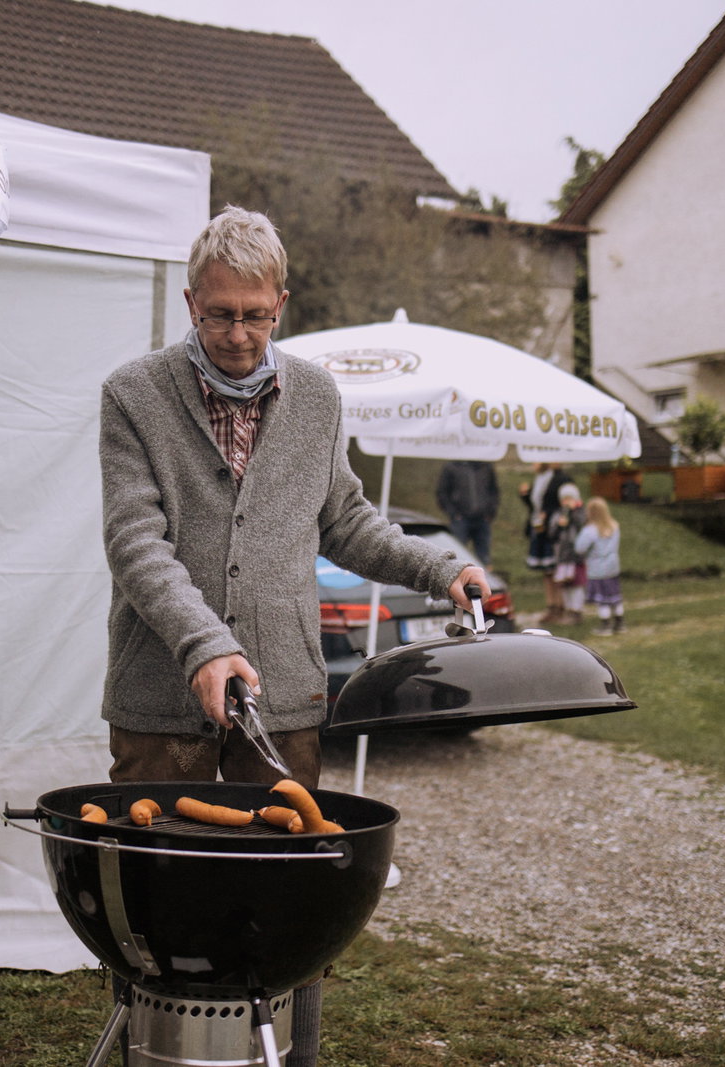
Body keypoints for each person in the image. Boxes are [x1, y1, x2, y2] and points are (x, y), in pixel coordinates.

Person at [98, 205, 487, 1067]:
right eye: (218, 314)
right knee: (155, 901)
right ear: (191, 303)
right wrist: (205, 645)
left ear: (282, 303)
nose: (238, 335)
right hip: (160, 696)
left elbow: (347, 522)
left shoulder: (315, 397)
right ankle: (152, 1054)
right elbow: (135, 543)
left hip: (284, 696)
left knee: (287, 899)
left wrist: (439, 568)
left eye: (255, 315)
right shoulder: (133, 394)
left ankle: (288, 1054)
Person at [518, 462, 574, 623]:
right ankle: (552, 605)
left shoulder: (561, 479)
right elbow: (536, 506)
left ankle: (562, 605)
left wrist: (548, 515)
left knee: (556, 569)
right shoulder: (539, 479)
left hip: (554, 531)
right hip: (540, 529)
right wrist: (525, 496)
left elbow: (564, 505)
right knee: (547, 571)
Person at [574, 496, 625, 635]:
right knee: (615, 595)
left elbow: (579, 548)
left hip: (597, 568)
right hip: (613, 566)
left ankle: (606, 624)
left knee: (602, 598)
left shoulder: (590, 530)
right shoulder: (614, 526)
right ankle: (620, 622)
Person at [435, 459, 499, 563]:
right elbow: (442, 493)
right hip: (460, 520)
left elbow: (494, 491)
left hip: (482, 519)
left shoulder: (486, 466)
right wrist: (453, 513)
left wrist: (491, 512)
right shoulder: (452, 467)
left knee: (484, 558)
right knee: (457, 556)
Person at [550, 482, 587, 625]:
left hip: (576, 555)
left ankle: (577, 610)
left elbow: (582, 527)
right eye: (564, 499)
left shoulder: (580, 513)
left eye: (569, 498)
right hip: (562, 555)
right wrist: (559, 526)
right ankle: (568, 609)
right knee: (564, 584)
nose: (566, 502)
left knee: (577, 583)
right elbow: (552, 534)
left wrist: (572, 514)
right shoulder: (558, 514)